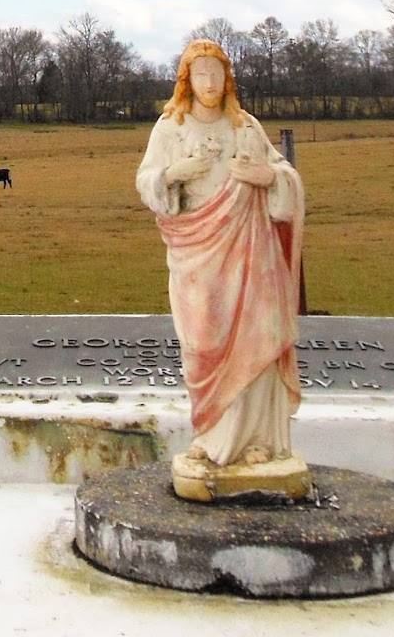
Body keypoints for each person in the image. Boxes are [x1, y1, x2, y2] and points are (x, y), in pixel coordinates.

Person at [135, 39, 306, 490]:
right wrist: (176, 174)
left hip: (251, 251)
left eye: (216, 73)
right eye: (200, 74)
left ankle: (261, 442)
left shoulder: (245, 127)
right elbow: (147, 180)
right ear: (186, 80)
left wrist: (269, 178)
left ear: (226, 78)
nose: (209, 82)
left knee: (258, 332)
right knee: (203, 340)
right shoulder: (170, 128)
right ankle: (212, 438)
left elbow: (284, 176)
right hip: (197, 254)